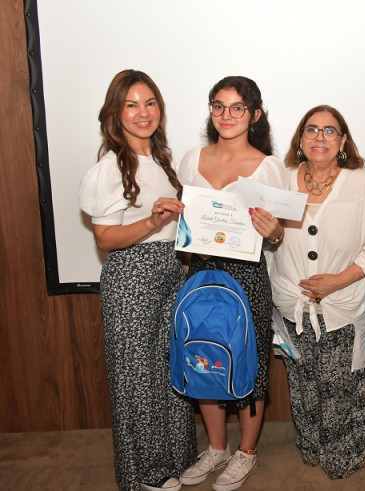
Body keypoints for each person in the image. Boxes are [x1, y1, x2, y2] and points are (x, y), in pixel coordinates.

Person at [77, 69, 196, 491]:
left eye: (150, 103)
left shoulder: (162, 161)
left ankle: (174, 460)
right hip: (131, 274)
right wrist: (152, 221)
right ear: (116, 114)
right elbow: (107, 238)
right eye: (131, 105)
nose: (143, 113)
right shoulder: (109, 168)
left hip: (168, 270)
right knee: (137, 377)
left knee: (168, 369)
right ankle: (146, 473)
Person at [268, 105, 365, 479]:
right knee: (302, 382)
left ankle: (343, 454)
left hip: (342, 302)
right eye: (311, 130)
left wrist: (338, 280)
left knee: (340, 387)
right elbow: (269, 240)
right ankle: (310, 445)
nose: (319, 137)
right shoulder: (281, 180)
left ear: (342, 141)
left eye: (329, 130)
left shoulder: (362, 182)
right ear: (300, 139)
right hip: (291, 302)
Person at [176, 76, 286, 491]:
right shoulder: (191, 158)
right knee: (204, 355)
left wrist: (273, 229)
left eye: (237, 107)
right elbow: (185, 222)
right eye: (218, 106)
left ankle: (246, 452)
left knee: (248, 361)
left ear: (254, 114)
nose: (226, 115)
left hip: (247, 275)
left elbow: (278, 236)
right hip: (200, 273)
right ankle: (217, 447)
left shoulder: (268, 166)